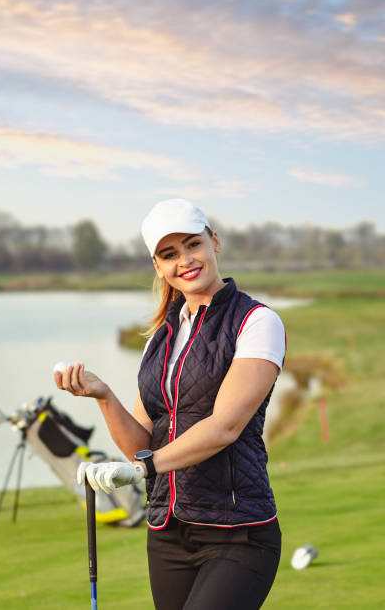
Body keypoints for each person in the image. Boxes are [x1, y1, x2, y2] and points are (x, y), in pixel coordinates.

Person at [54, 199, 286, 610]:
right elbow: (142, 445)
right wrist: (105, 396)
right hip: (167, 531)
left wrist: (144, 467)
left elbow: (225, 426)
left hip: (238, 531)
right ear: (158, 267)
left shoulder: (256, 322)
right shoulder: (159, 338)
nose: (185, 260)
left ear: (215, 242)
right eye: (169, 254)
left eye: (193, 244)